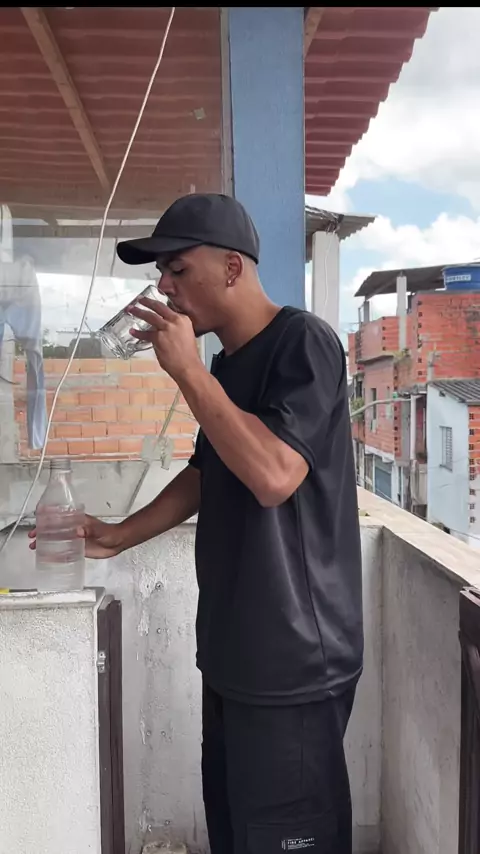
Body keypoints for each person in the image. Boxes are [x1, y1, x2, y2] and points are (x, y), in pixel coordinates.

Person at [30, 193, 363, 854]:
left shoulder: (303, 341)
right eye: (162, 273)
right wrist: (118, 533)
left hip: (295, 661)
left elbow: (273, 475)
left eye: (178, 268)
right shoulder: (228, 364)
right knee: (237, 834)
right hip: (235, 652)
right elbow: (211, 473)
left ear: (232, 268)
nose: (164, 287)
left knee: (288, 839)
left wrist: (185, 371)